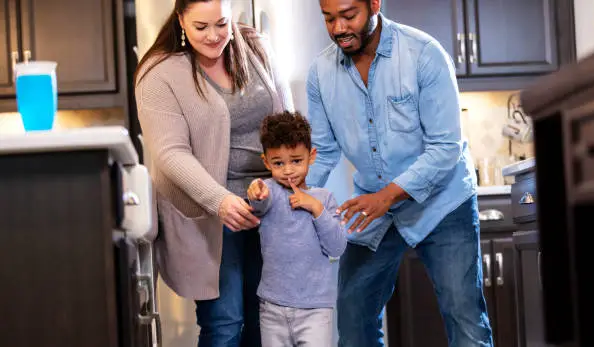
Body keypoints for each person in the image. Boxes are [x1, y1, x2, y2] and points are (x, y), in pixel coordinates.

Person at [305, 0, 494, 346]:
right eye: (329, 19)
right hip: (374, 206)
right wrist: (295, 196)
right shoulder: (320, 73)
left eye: (349, 16)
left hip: (442, 201)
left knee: (464, 317)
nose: (338, 29)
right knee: (353, 314)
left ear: (374, 3)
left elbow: (445, 148)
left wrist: (388, 196)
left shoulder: (424, 54)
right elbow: (324, 149)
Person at [133, 0, 293, 346]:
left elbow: (286, 119)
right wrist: (220, 201)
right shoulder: (159, 73)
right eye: (200, 27)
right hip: (212, 215)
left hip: (269, 209)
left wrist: (291, 188)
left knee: (266, 322)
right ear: (180, 21)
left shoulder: (256, 48)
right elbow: (170, 153)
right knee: (224, 322)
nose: (213, 36)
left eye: (221, 24)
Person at [245, 112, 346, 347]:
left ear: (311, 157)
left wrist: (316, 209)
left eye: (296, 160)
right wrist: (255, 191)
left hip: (316, 310)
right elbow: (258, 202)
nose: (288, 170)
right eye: (278, 163)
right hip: (272, 308)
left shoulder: (325, 199)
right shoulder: (269, 191)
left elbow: (337, 247)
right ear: (266, 162)